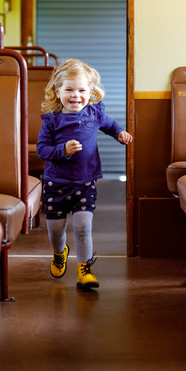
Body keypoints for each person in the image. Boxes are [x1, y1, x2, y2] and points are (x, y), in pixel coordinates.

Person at [36, 59, 133, 290]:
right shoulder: (52, 120)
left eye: (81, 90)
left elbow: (109, 125)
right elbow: (42, 150)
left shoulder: (94, 113)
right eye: (69, 90)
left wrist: (119, 133)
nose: (75, 95)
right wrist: (63, 150)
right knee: (57, 230)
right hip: (55, 183)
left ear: (91, 92)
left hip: (85, 181)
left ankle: (84, 271)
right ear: (57, 91)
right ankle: (59, 253)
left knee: (82, 227)